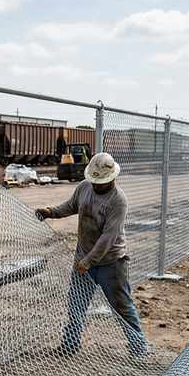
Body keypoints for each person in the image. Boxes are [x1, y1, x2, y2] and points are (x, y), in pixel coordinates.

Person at [35, 152, 148, 357]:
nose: (96, 185)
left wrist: (88, 261)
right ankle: (70, 345)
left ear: (112, 177)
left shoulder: (118, 201)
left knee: (123, 307)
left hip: (111, 263)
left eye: (101, 182)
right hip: (83, 260)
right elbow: (71, 206)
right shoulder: (85, 187)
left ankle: (139, 349)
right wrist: (50, 211)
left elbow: (108, 237)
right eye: (94, 181)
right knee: (75, 305)